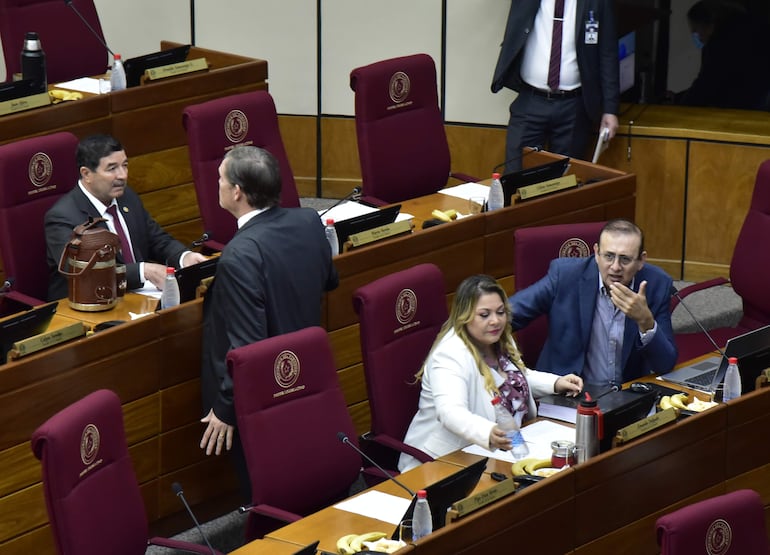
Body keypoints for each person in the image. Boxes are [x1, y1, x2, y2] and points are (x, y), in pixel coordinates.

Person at [198, 146, 338, 491]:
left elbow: (248, 346)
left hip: (262, 397)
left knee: (267, 490)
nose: (215, 184)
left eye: (219, 178)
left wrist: (225, 406)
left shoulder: (239, 256)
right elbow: (329, 280)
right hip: (307, 375)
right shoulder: (308, 221)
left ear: (236, 192)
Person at [399, 274, 582, 472]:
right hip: (444, 460)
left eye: (500, 312)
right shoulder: (449, 355)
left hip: (501, 451)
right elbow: (451, 412)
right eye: (484, 315)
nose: (495, 321)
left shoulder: (499, 340)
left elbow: (516, 379)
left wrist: (556, 383)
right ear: (465, 316)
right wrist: (488, 433)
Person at [510, 219, 677, 387]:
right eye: (609, 256)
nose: (615, 267)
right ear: (596, 253)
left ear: (641, 260)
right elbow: (508, 315)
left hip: (627, 398)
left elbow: (665, 364)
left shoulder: (656, 285)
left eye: (625, 259)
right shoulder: (566, 276)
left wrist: (645, 321)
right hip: (568, 395)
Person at [45, 134, 207, 301]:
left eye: (125, 165)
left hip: (138, 299)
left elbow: (156, 240)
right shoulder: (62, 217)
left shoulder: (127, 197)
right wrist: (143, 271)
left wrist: (184, 256)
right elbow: (84, 274)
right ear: (86, 174)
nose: (122, 175)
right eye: (112, 168)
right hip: (89, 305)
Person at [491, 0, 620, 172]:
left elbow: (608, 52)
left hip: (574, 106)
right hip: (530, 100)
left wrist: (610, 109)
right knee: (515, 176)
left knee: (565, 182)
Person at [677, 0, 770, 111]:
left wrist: (679, 108)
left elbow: (707, 84)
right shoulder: (748, 29)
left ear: (708, 24)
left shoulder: (721, 42)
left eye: (696, 31)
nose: (698, 37)